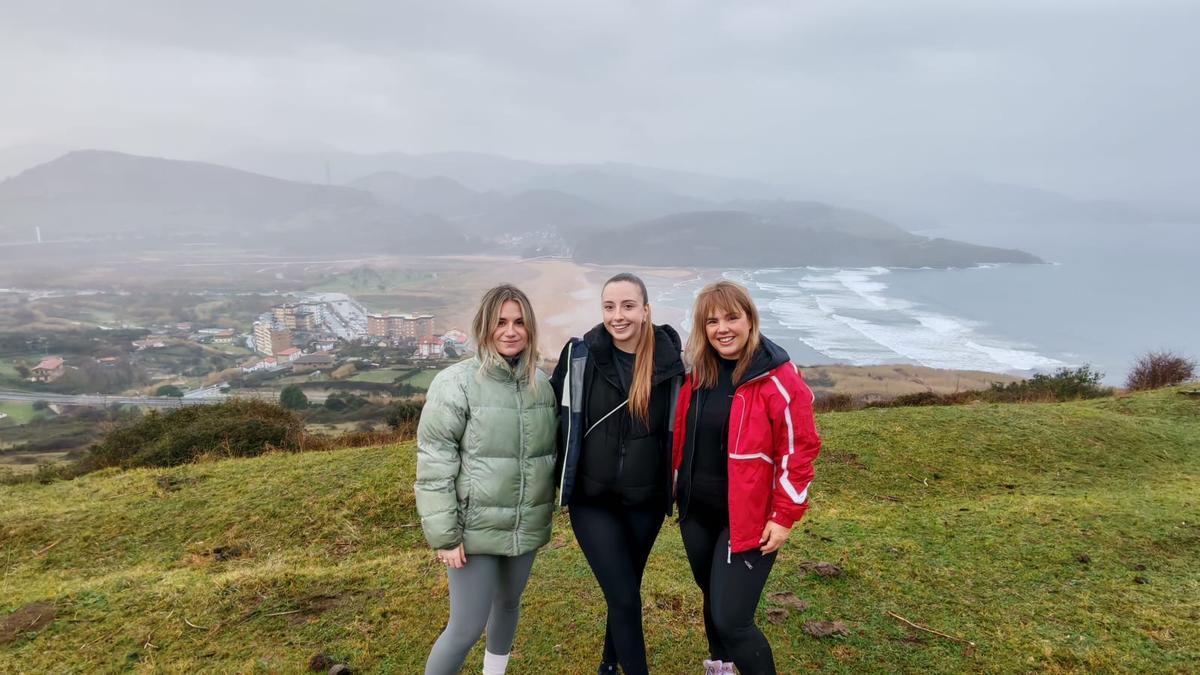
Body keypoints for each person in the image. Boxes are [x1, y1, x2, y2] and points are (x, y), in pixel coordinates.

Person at [672, 280, 821, 675]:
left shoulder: (777, 378)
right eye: (712, 321)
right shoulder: (698, 375)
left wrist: (785, 515)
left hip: (749, 520)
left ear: (750, 319)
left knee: (732, 619)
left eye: (732, 317)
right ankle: (720, 669)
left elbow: (800, 449)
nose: (723, 328)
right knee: (712, 598)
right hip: (695, 513)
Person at [415, 284, 558, 675]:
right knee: (465, 627)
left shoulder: (541, 385)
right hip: (473, 530)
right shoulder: (455, 382)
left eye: (518, 322)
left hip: (523, 525)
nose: (510, 331)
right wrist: (446, 535)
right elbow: (434, 462)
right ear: (484, 327)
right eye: (500, 322)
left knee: (509, 605)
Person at [551, 272, 684, 675]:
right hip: (593, 501)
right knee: (625, 597)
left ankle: (609, 664)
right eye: (609, 307)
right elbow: (543, 404)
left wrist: (786, 379)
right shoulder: (581, 355)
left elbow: (711, 399)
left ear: (646, 311)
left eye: (628, 306)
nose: (618, 316)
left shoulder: (669, 364)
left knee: (625, 588)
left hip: (645, 502)